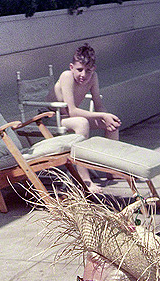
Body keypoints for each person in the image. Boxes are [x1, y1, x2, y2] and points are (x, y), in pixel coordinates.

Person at [52, 43, 121, 194]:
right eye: (79, 69)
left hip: (69, 117)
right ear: (71, 67)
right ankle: (84, 179)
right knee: (82, 123)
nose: (83, 74)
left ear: (93, 69)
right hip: (53, 118)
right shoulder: (67, 76)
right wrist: (102, 115)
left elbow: (99, 104)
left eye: (88, 70)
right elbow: (72, 111)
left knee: (113, 123)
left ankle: (111, 169)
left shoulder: (93, 77)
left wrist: (107, 117)